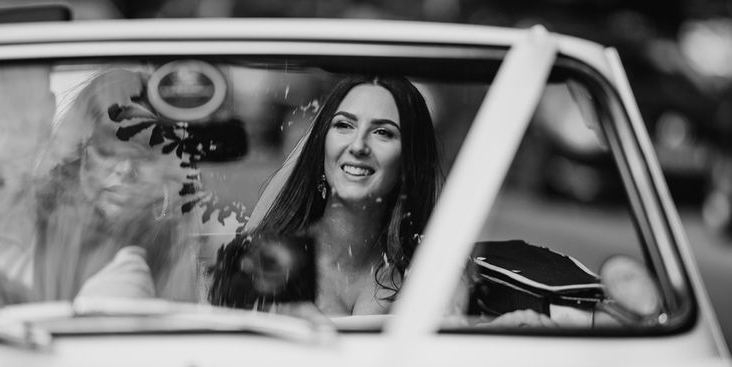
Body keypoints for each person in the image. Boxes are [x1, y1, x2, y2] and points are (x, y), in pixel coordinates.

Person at [209, 75, 442, 315]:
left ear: (409, 159)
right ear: (322, 144)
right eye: (344, 125)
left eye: (382, 132)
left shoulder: (430, 271)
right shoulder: (266, 259)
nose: (358, 145)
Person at [31, 68, 201, 302]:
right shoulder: (37, 227)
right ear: (81, 152)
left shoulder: (172, 238)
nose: (126, 168)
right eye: (109, 148)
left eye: (144, 149)